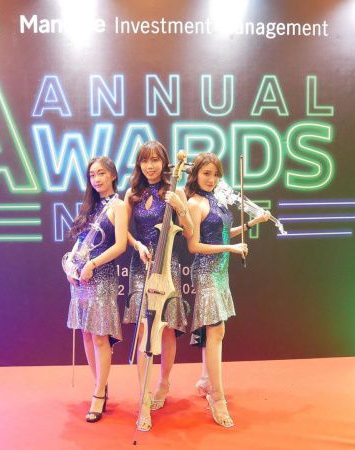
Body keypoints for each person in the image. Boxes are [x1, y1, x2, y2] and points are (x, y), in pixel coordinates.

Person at [185, 153, 270, 428]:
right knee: (216, 330)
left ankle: (205, 380)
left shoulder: (216, 200)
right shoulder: (194, 203)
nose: (211, 179)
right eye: (206, 173)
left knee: (214, 331)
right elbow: (194, 246)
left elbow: (223, 233)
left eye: (215, 174)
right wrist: (229, 249)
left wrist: (251, 223)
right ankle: (217, 397)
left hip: (220, 272)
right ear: (196, 174)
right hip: (205, 271)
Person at [123, 140, 193, 431]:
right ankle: (143, 399)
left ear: (164, 163)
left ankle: (164, 382)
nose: (149, 166)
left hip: (168, 266)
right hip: (142, 265)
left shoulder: (175, 191)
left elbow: (190, 233)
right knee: (143, 330)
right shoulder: (132, 194)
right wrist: (137, 244)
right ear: (139, 164)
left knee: (166, 330)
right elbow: (124, 231)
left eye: (154, 160)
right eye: (144, 160)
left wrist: (181, 209)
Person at [67, 156, 128, 423]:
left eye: (101, 173)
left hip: (102, 276)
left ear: (112, 175)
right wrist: (71, 265)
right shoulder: (89, 206)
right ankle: (99, 384)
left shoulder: (119, 206)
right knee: (87, 334)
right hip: (81, 279)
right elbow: (81, 241)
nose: (96, 179)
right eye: (92, 175)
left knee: (101, 336)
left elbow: (120, 245)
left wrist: (92, 264)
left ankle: (99, 394)